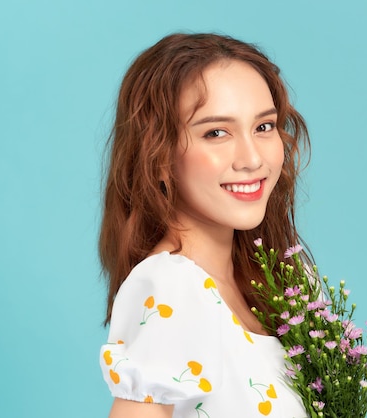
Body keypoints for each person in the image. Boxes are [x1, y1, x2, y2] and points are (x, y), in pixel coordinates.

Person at [98, 33, 311, 418]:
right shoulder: (169, 289)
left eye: (264, 127)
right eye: (216, 133)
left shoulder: (284, 282)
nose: (251, 159)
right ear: (158, 155)